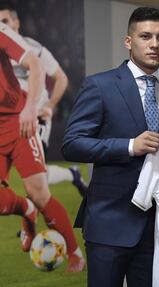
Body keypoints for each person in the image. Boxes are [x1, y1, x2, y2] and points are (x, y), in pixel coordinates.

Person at [62, 6, 159, 287]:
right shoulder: (100, 85)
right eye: (146, 36)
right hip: (110, 223)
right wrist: (130, 146)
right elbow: (72, 144)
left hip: (158, 226)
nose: (154, 44)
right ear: (129, 42)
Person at [0, 21, 85, 272]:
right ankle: (27, 211)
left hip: (20, 122)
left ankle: (74, 252)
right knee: (24, 201)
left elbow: (34, 65)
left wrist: (30, 108)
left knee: (38, 192)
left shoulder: (2, 34)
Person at [0, 4, 87, 197]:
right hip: (10, 119)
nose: (2, 25)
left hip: (35, 118)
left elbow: (61, 78)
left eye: (5, 21)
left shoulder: (35, 50)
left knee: (35, 178)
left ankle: (27, 227)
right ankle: (71, 173)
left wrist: (49, 106)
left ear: (16, 22)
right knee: (38, 176)